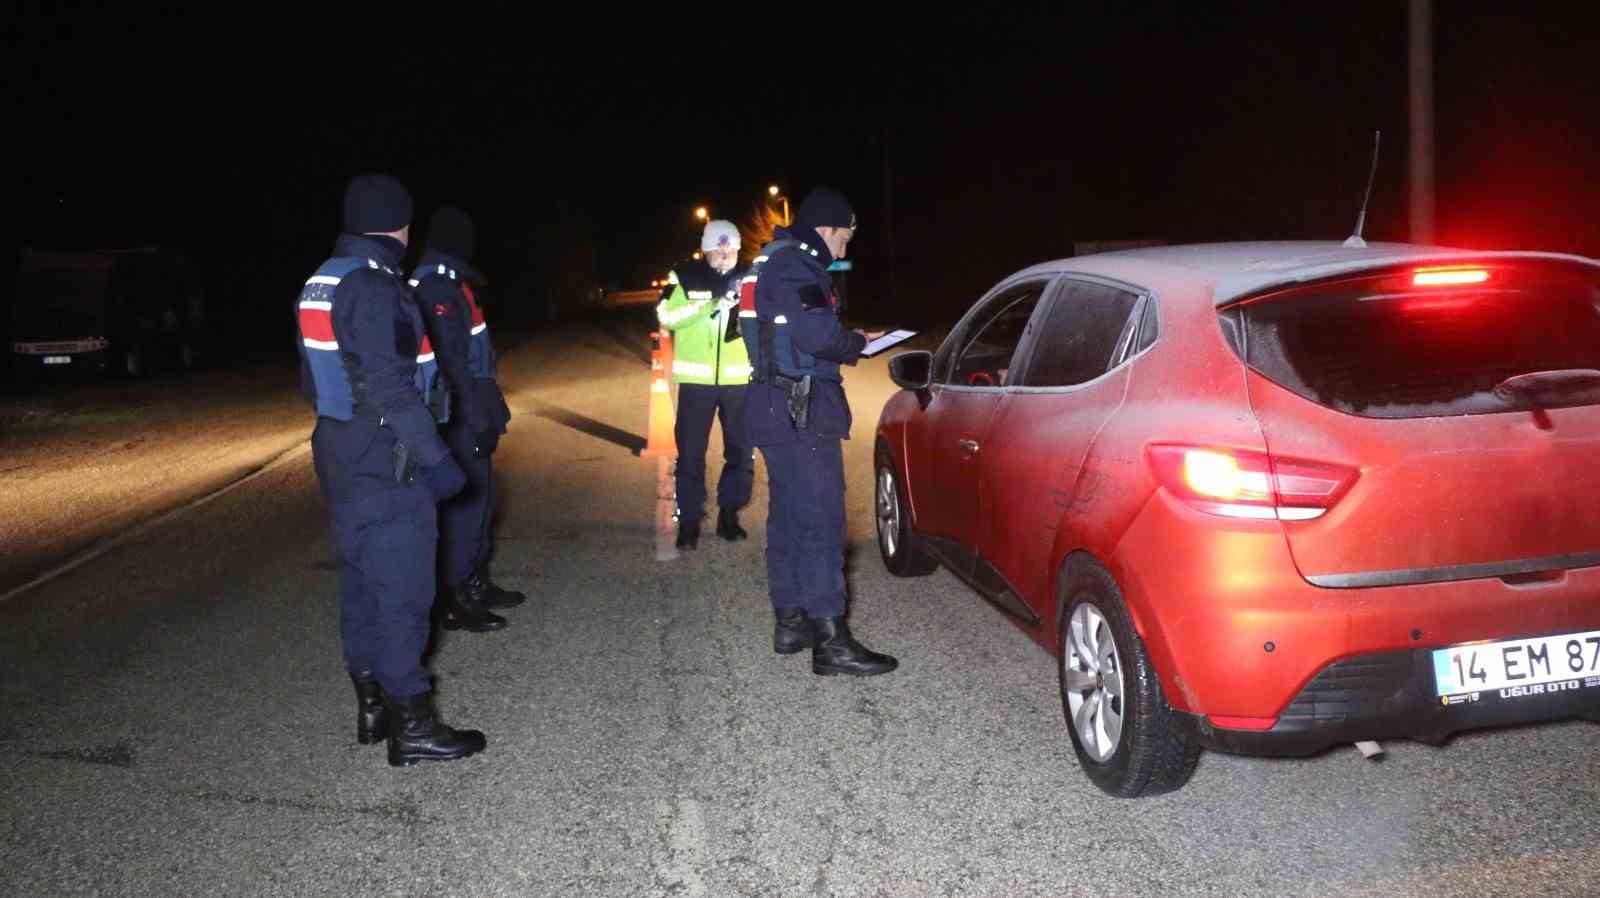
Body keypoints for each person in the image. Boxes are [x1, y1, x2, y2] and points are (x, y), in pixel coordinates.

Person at [295, 173, 486, 766]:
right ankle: (413, 725)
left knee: (360, 578)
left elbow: (315, 374)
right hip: (386, 455)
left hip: (340, 445)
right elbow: (391, 387)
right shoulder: (377, 288)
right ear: (400, 225)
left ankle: (371, 705)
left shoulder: (323, 279)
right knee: (404, 588)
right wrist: (440, 463)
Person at [740, 187, 897, 676]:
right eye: (844, 238)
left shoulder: (767, 261)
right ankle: (831, 640)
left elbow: (783, 330)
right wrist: (857, 343)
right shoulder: (796, 265)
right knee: (823, 522)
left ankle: (791, 622)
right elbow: (816, 335)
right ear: (826, 229)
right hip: (799, 407)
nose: (844, 250)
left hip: (773, 403)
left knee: (789, 516)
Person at [410, 206, 522, 633]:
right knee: (464, 509)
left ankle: (477, 581)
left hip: (470, 405)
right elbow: (451, 367)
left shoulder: (453, 283)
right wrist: (475, 419)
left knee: (482, 501)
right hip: (453, 413)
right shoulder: (436, 288)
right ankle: (458, 598)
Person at [655, 219, 755, 550]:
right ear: (706, 248)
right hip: (696, 381)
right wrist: (711, 306)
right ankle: (689, 522)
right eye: (718, 246)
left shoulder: (752, 277)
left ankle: (730, 514)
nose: (725, 252)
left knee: (741, 451)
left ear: (738, 248)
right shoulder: (684, 275)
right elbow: (667, 316)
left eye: (731, 246)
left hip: (740, 379)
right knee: (691, 454)